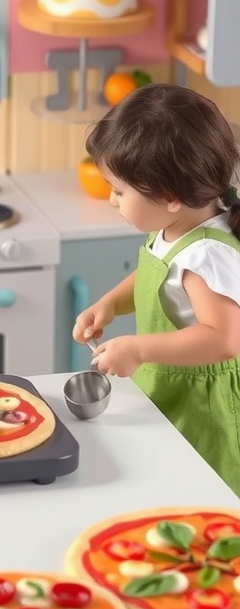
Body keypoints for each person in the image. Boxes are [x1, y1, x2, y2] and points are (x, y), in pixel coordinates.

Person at [72, 83, 240, 495]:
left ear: (168, 196)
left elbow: (224, 339)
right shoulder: (174, 229)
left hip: (203, 408)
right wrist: (110, 303)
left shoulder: (205, 256)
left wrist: (139, 348)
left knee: (200, 497)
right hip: (169, 389)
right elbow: (156, 275)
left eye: (119, 190)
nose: (113, 201)